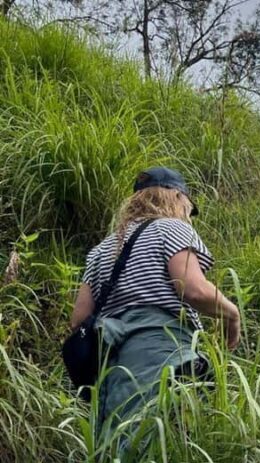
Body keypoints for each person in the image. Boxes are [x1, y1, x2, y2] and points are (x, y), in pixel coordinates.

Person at [70, 167, 241, 425]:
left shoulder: (101, 250)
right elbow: (193, 289)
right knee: (158, 443)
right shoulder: (171, 228)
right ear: (176, 197)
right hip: (160, 353)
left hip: (109, 365)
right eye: (188, 207)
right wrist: (232, 314)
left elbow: (79, 320)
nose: (189, 216)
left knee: (116, 448)